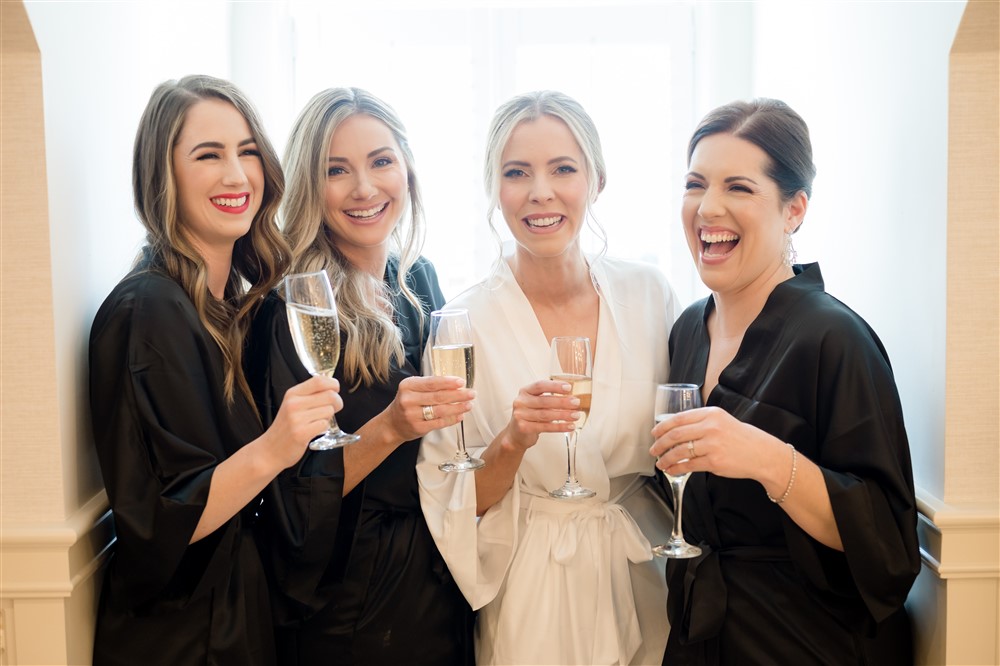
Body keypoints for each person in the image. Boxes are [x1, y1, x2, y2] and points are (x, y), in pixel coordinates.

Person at [650, 98, 920, 664]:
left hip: (798, 640)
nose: (708, 207)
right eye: (695, 184)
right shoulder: (685, 330)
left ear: (794, 209)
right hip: (698, 634)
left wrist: (766, 458)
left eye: (739, 188)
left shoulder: (834, 338)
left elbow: (888, 546)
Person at [417, 90, 677, 665]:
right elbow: (452, 500)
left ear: (597, 180)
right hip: (529, 590)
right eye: (517, 173)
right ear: (494, 188)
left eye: (563, 169)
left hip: (639, 572)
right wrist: (513, 439)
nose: (541, 192)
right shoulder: (463, 324)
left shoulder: (649, 295)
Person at [89, 75, 342, 666]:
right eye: (209, 155)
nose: (237, 175)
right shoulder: (148, 311)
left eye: (248, 151)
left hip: (232, 620)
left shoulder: (230, 307)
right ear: (164, 174)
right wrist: (278, 445)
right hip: (183, 639)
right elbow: (161, 523)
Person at [246, 87, 475, 665]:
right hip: (355, 598)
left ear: (408, 170)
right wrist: (390, 428)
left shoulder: (417, 279)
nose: (364, 188)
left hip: (438, 573)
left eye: (380, 161)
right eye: (336, 170)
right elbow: (293, 499)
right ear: (308, 186)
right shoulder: (296, 311)